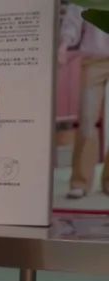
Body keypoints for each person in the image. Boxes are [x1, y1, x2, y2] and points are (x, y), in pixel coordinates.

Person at [62, 3, 109, 199]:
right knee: (87, 121)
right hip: (93, 59)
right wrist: (64, 44)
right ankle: (80, 181)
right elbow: (74, 18)